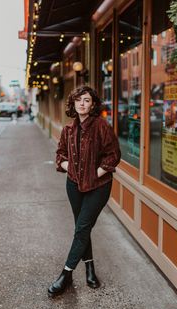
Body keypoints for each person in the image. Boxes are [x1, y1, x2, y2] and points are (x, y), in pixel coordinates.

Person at [48, 85, 121, 297]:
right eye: (79, 100)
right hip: (73, 185)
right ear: (73, 103)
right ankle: (90, 269)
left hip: (98, 186)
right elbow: (60, 155)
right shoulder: (68, 130)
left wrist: (94, 173)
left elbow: (113, 155)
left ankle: (66, 274)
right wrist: (67, 166)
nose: (82, 103)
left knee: (82, 228)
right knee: (82, 227)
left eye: (87, 100)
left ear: (93, 104)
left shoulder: (101, 126)